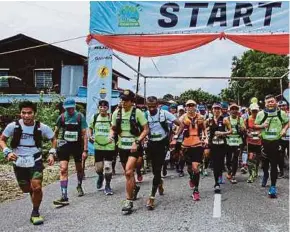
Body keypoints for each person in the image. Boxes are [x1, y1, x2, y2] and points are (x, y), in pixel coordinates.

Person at [0, 101, 56, 225]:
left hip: (35, 159)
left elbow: (53, 139)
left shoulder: (42, 127)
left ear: (34, 113)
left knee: (37, 186)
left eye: (29, 113)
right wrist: (7, 152)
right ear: (20, 113)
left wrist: (52, 153)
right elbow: (2, 139)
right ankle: (33, 192)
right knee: (26, 189)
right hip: (18, 160)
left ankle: (35, 212)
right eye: (23, 113)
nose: (26, 116)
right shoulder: (12, 126)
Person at [111, 89, 149, 214]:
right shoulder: (116, 113)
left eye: (126, 100)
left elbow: (145, 129)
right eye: (122, 99)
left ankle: (128, 201)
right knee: (128, 174)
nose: (123, 102)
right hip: (122, 147)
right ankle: (134, 188)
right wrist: (111, 136)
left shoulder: (137, 112)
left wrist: (137, 141)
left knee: (128, 171)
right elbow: (113, 128)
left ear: (132, 102)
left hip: (134, 147)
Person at [145, 96, 183, 209]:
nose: (151, 109)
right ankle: (159, 182)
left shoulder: (164, 114)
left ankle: (151, 197)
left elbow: (181, 124)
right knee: (154, 171)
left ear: (157, 105)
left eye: (153, 106)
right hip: (151, 144)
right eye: (149, 106)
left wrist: (175, 137)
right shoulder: (144, 115)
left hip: (162, 144)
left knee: (157, 169)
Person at [53, 98, 88, 206]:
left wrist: (85, 150)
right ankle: (64, 195)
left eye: (72, 108)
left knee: (79, 168)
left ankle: (79, 185)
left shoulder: (79, 116)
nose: (70, 110)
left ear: (75, 107)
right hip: (64, 145)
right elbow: (55, 133)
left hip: (77, 145)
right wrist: (53, 148)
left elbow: (84, 134)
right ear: (65, 108)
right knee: (63, 169)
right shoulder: (62, 117)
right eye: (68, 108)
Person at [255, 95, 289, 198]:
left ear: (276, 102)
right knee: (265, 164)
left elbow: (287, 122)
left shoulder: (281, 113)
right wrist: (262, 126)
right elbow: (255, 125)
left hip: (276, 142)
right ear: (265, 103)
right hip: (265, 142)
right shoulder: (261, 114)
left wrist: (284, 129)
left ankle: (273, 187)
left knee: (274, 165)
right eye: (268, 102)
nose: (270, 103)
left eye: (272, 101)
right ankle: (265, 175)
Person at [180, 100, 208, 201]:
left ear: (195, 106)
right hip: (186, 145)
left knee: (196, 167)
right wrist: (175, 136)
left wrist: (205, 138)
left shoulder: (200, 117)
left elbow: (204, 129)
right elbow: (177, 128)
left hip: (197, 144)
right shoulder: (183, 117)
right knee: (189, 168)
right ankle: (191, 178)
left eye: (192, 105)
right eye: (189, 105)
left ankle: (196, 190)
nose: (190, 107)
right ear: (186, 107)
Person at [89, 100, 115, 195]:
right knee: (98, 168)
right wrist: (90, 136)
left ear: (107, 108)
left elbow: (115, 128)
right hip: (98, 145)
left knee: (108, 167)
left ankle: (107, 185)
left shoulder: (111, 117)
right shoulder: (95, 117)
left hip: (109, 145)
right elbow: (90, 128)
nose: (102, 109)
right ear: (98, 108)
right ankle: (100, 176)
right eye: (101, 107)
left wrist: (112, 136)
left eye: (104, 107)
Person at [207, 103, 232, 193]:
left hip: (222, 145)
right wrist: (205, 137)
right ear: (212, 110)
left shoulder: (225, 120)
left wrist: (222, 133)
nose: (216, 110)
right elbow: (204, 130)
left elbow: (230, 131)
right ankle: (216, 183)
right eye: (215, 109)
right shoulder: (209, 120)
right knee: (215, 164)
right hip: (213, 145)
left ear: (220, 110)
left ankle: (220, 175)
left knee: (220, 163)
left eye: (218, 108)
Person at [226, 103, 246, 184]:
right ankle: (229, 170)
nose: (234, 110)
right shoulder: (226, 119)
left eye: (236, 109)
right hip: (228, 141)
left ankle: (233, 175)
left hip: (238, 141)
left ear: (238, 111)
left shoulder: (240, 119)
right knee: (228, 159)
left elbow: (244, 128)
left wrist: (242, 129)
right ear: (229, 111)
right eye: (232, 109)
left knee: (235, 158)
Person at [245, 103, 262, 183]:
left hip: (259, 142)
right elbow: (245, 130)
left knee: (257, 158)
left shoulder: (261, 119)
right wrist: (248, 133)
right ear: (250, 111)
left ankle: (256, 171)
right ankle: (251, 174)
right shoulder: (247, 119)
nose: (254, 112)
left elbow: (264, 129)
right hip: (250, 141)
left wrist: (260, 134)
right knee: (250, 158)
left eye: (256, 111)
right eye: (253, 111)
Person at [278, 100, 289, 178]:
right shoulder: (276, 115)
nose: (282, 107)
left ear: (287, 106)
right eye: (280, 106)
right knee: (280, 155)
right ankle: (281, 172)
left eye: (283, 105)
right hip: (280, 138)